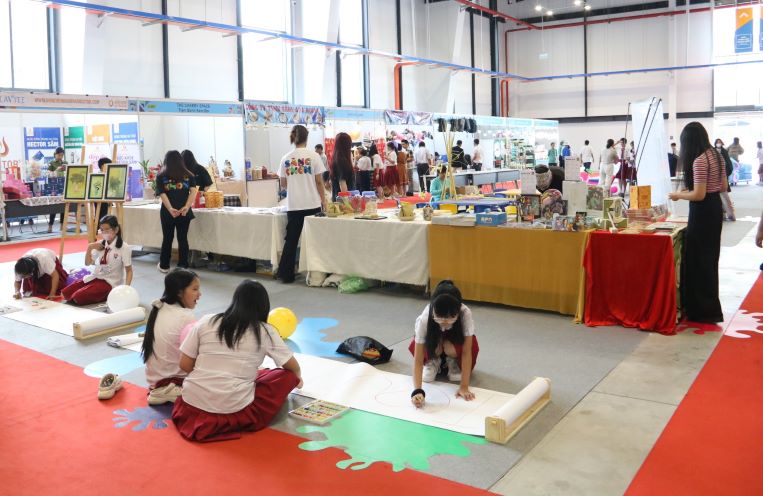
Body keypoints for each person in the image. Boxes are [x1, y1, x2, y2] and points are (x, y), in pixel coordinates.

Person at [171, 280, 303, 442]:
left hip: (191, 402)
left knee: (259, 375)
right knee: (284, 376)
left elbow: (184, 365)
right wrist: (297, 378)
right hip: (231, 408)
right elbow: (292, 366)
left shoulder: (207, 320)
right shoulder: (265, 330)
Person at [668, 122, 726, 324]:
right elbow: (722, 186)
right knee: (710, 258)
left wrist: (678, 195)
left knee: (697, 258)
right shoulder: (717, 156)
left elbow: (699, 195)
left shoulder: (700, 160)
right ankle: (710, 308)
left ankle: (700, 310)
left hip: (702, 213)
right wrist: (687, 192)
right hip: (715, 209)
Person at [409, 280, 479, 409]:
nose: (445, 322)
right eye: (440, 317)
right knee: (428, 346)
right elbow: (418, 359)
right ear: (433, 308)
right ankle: (432, 360)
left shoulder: (465, 313)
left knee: (453, 347)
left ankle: (452, 361)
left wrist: (464, 386)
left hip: (453, 344)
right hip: (434, 345)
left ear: (458, 311)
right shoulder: (425, 318)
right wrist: (417, 391)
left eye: (450, 318)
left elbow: (467, 351)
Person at [141, 268, 200, 405]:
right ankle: (170, 390)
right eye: (195, 289)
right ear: (180, 292)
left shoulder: (160, 308)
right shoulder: (186, 316)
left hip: (153, 380)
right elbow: (193, 359)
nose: (199, 294)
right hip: (172, 380)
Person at [276, 125, 326, 284]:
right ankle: (317, 274)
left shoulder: (286, 158)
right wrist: (324, 200)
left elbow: (283, 184)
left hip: (294, 205)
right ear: (307, 138)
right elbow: (319, 182)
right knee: (316, 239)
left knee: (291, 240)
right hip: (312, 203)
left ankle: (285, 274)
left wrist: (296, 184)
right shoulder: (314, 156)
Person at [61, 215, 133, 305]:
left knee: (77, 297)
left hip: (110, 282)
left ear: (116, 230)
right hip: (96, 277)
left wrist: (126, 289)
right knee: (65, 293)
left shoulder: (124, 247)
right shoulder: (100, 244)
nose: (104, 232)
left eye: (107, 229)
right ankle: (96, 292)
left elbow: (129, 270)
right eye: (102, 230)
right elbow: (87, 263)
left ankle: (107, 294)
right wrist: (90, 247)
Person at [155, 150, 198, 273]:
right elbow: (193, 191)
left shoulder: (161, 176)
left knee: (167, 238)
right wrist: (187, 206)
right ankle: (183, 266)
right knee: (183, 239)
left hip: (167, 213)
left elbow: (162, 194)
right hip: (184, 212)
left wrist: (170, 209)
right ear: (181, 161)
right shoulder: (189, 175)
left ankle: (164, 265)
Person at [47, 147, 68, 233]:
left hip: (64, 185)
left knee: (63, 206)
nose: (61, 157)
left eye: (62, 155)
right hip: (54, 186)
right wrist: (57, 170)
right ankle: (50, 225)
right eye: (59, 155)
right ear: (55, 154)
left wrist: (66, 169)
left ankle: (62, 225)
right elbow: (48, 175)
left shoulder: (65, 163)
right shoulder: (51, 163)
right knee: (54, 206)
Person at [714, 139, 736, 221]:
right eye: (717, 142)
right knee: (719, 197)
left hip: (723, 176)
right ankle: (722, 214)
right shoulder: (713, 151)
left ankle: (730, 214)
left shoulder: (724, 151)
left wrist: (726, 174)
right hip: (715, 176)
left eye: (719, 142)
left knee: (724, 196)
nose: (718, 144)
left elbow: (728, 164)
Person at [330, 132, 355, 200]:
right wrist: (347, 204)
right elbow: (342, 184)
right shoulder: (342, 161)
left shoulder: (336, 159)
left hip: (337, 199)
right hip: (343, 203)